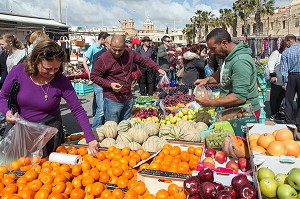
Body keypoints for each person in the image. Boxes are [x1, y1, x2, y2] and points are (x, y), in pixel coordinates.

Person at [0, 39, 98, 156]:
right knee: (15, 167)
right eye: (47, 69)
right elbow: (3, 97)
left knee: (47, 169)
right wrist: (6, 112)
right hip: (19, 130)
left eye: (56, 69)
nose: (52, 73)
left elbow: (77, 109)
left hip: (48, 133)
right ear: (35, 61)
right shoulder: (18, 71)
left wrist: (90, 138)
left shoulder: (62, 81)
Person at [91, 35, 166, 123]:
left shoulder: (130, 53)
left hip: (128, 98)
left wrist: (157, 68)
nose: (117, 53)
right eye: (114, 49)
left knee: (125, 126)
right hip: (112, 100)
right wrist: (110, 84)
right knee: (112, 128)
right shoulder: (103, 59)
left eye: (120, 50)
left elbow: (144, 60)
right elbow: (94, 76)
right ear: (110, 46)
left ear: (124, 47)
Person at [194, 28, 260, 120]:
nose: (212, 53)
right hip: (233, 109)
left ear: (224, 43)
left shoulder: (240, 62)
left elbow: (239, 97)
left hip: (245, 112)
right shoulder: (226, 56)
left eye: (213, 49)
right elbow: (223, 73)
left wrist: (210, 103)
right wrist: (206, 80)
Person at [90, 36, 112, 130]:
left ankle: (103, 129)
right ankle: (94, 130)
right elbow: (96, 75)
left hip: (108, 83)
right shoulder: (100, 55)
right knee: (101, 109)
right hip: (100, 83)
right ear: (106, 44)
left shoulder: (112, 54)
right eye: (112, 45)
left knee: (108, 107)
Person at [280, 34, 300, 132]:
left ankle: (289, 123)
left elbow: (284, 69)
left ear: (290, 41)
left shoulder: (286, 52)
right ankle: (298, 122)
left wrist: (285, 82)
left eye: (286, 42)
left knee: (289, 101)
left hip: (291, 76)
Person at [268, 40, 287, 121]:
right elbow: (271, 63)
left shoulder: (285, 54)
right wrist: (273, 75)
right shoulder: (276, 53)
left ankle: (277, 112)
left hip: (283, 80)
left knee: (280, 97)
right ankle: (273, 114)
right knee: (275, 97)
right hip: (276, 79)